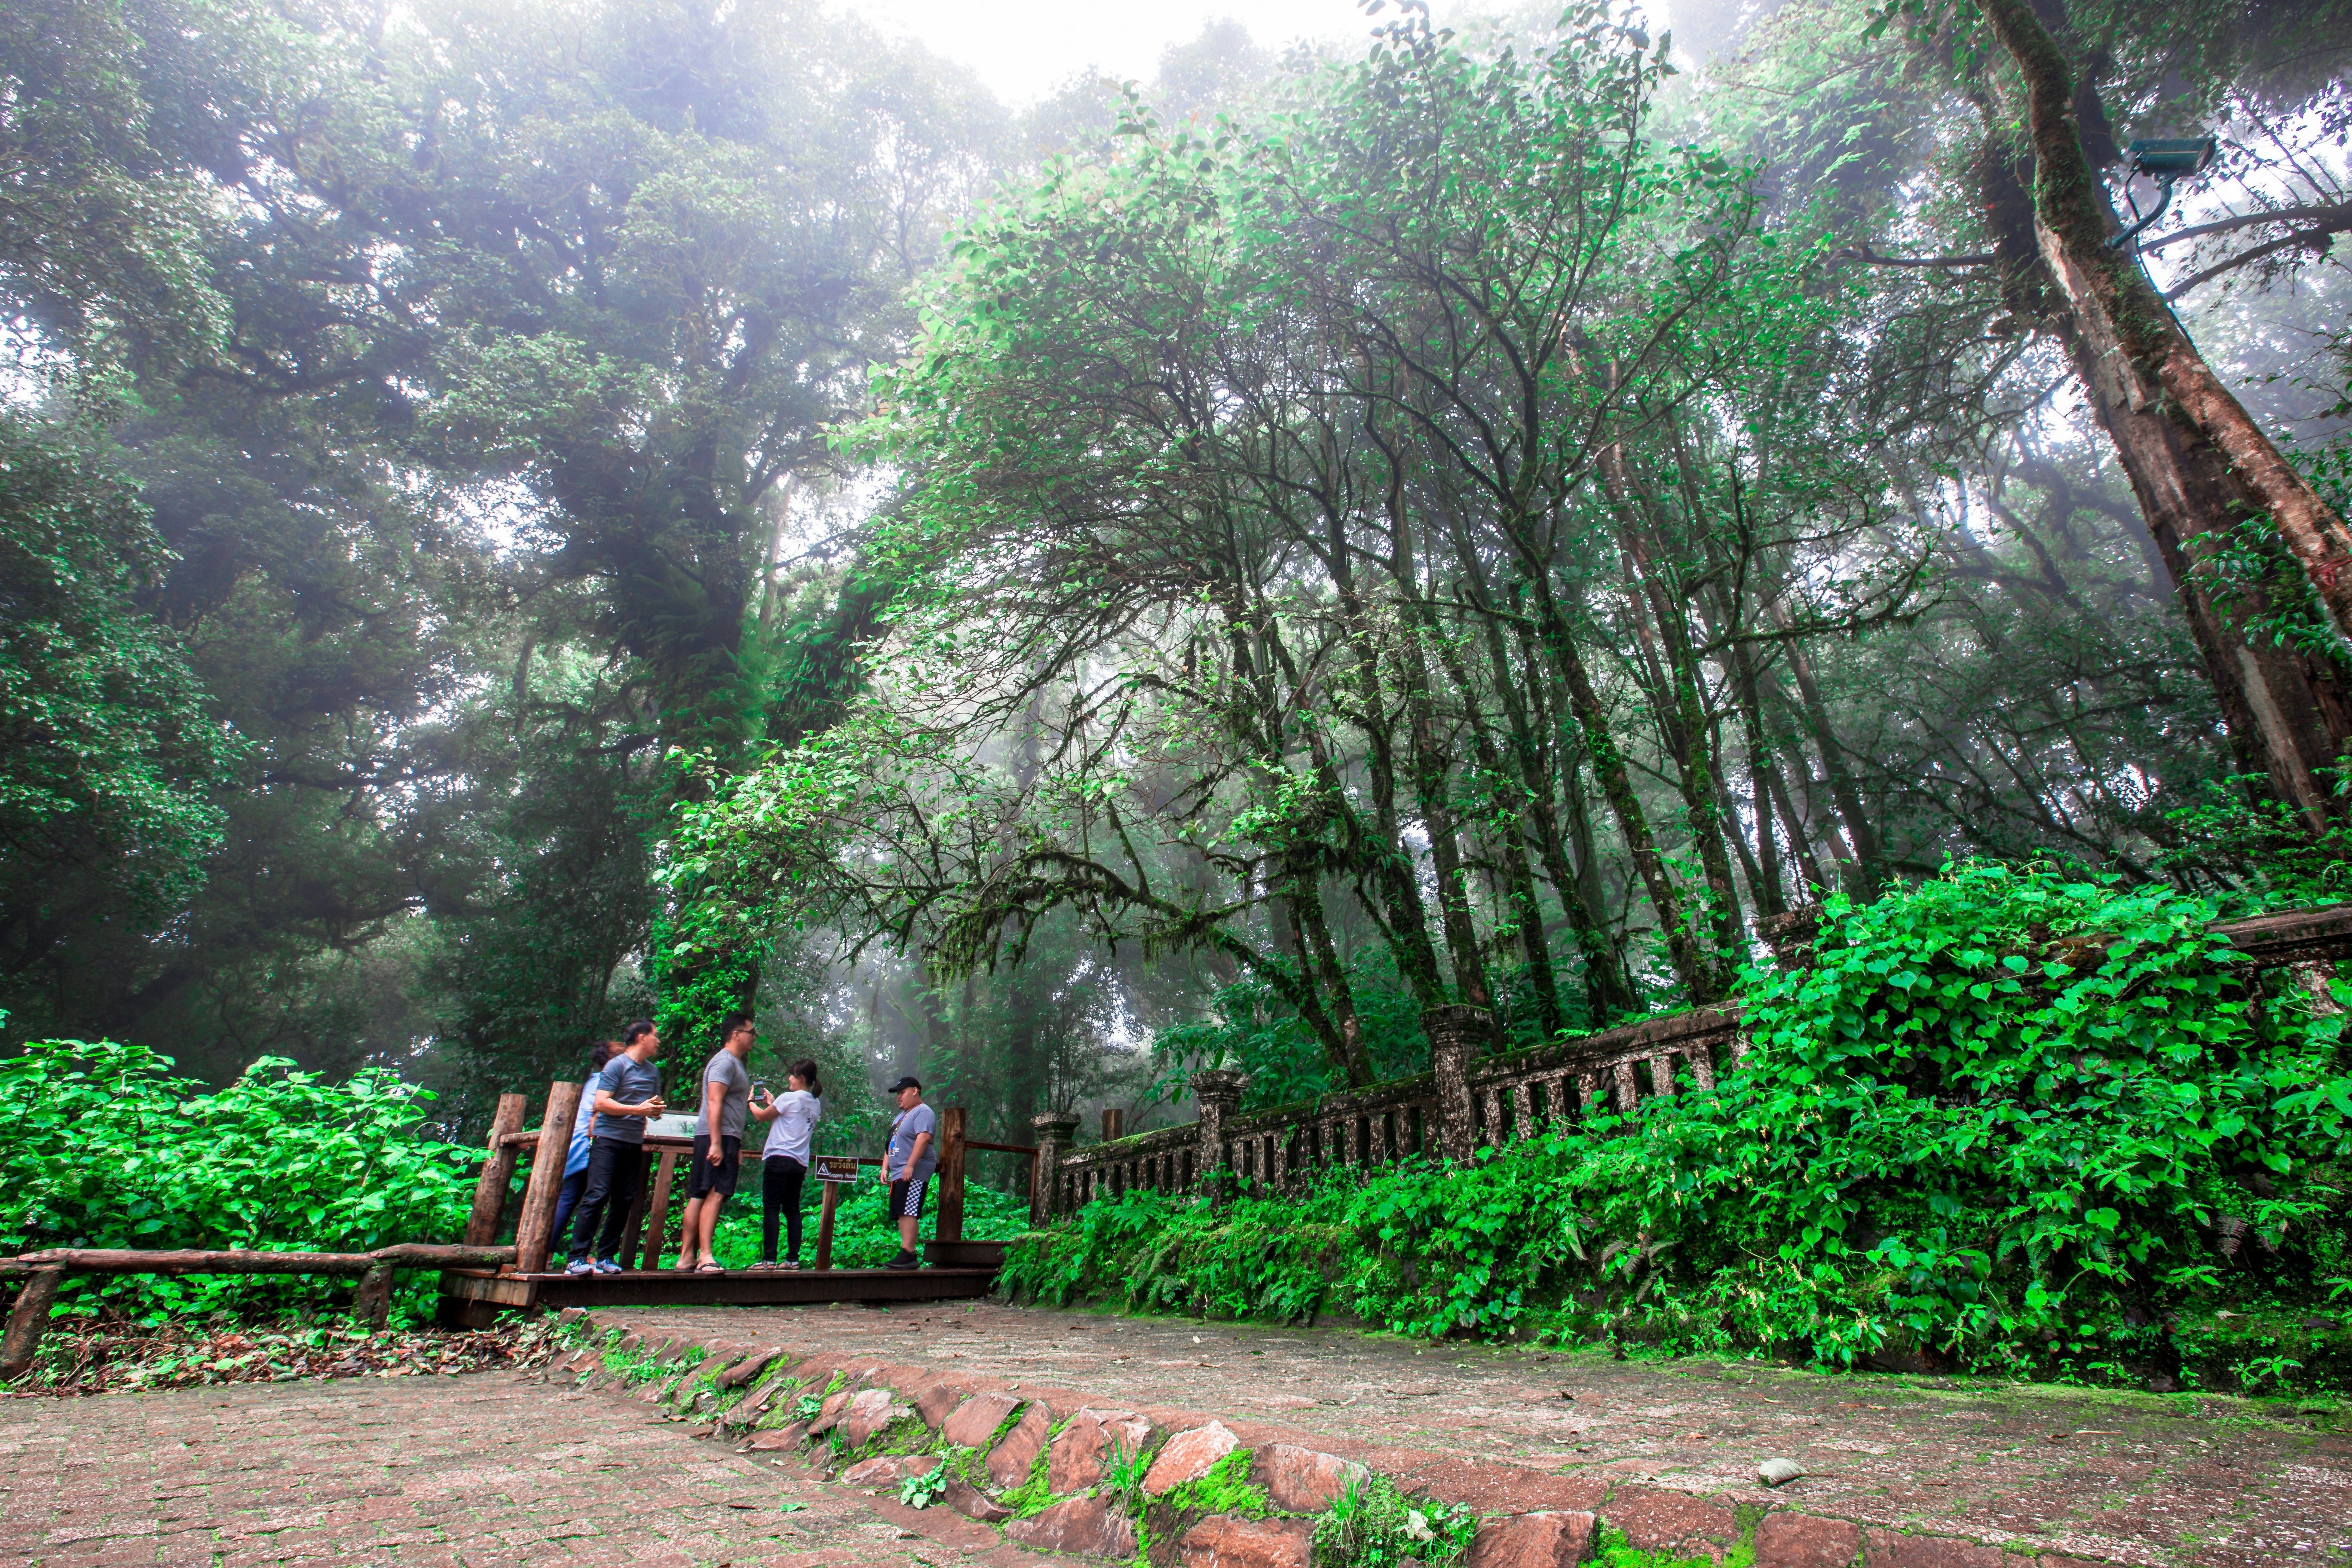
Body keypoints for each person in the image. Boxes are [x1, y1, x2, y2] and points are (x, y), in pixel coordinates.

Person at [564, 1019, 665, 1275]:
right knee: (597, 1195)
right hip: (607, 1141)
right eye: (655, 1035)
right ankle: (577, 1257)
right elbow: (601, 1103)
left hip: (634, 1143)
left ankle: (606, 1257)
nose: (659, 1040)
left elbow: (651, 1103)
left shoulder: (653, 1071)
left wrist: (654, 1110)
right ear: (642, 1038)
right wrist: (637, 1110)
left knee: (624, 1200)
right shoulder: (616, 1065)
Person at [677, 1012, 756, 1274]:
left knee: (700, 1193)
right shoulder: (725, 1063)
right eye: (751, 1032)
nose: (754, 1037)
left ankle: (686, 1257)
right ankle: (705, 1256)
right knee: (715, 1192)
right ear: (736, 1034)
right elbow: (714, 1101)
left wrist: (737, 1143)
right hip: (717, 1136)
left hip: (723, 1136)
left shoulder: (733, 1063)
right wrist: (716, 1143)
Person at [747, 1057, 823, 1271]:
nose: (789, 1078)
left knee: (771, 1208)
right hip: (799, 1162)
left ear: (800, 1078)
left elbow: (762, 1117)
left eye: (791, 1074)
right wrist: (774, 1102)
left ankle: (769, 1260)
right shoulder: (814, 1103)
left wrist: (750, 1101)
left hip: (779, 1158)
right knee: (792, 1210)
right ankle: (792, 1259)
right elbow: (790, 1118)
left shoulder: (789, 1098)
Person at [549, 1040, 620, 1248]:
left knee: (572, 1199)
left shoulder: (594, 1081)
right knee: (589, 1200)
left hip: (577, 1147)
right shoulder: (605, 1083)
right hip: (587, 1148)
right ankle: (569, 1252)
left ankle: (548, 1253)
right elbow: (595, 1119)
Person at [878, 1075, 935, 1272]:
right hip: (899, 1171)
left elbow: (924, 1138)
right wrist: (885, 1167)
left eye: (902, 1093)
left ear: (914, 1091)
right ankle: (905, 1251)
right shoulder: (900, 1117)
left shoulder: (923, 1112)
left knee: (909, 1210)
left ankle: (909, 1253)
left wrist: (910, 1165)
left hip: (914, 1171)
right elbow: (890, 1144)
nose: (899, 1097)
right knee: (901, 1211)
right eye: (898, 1094)